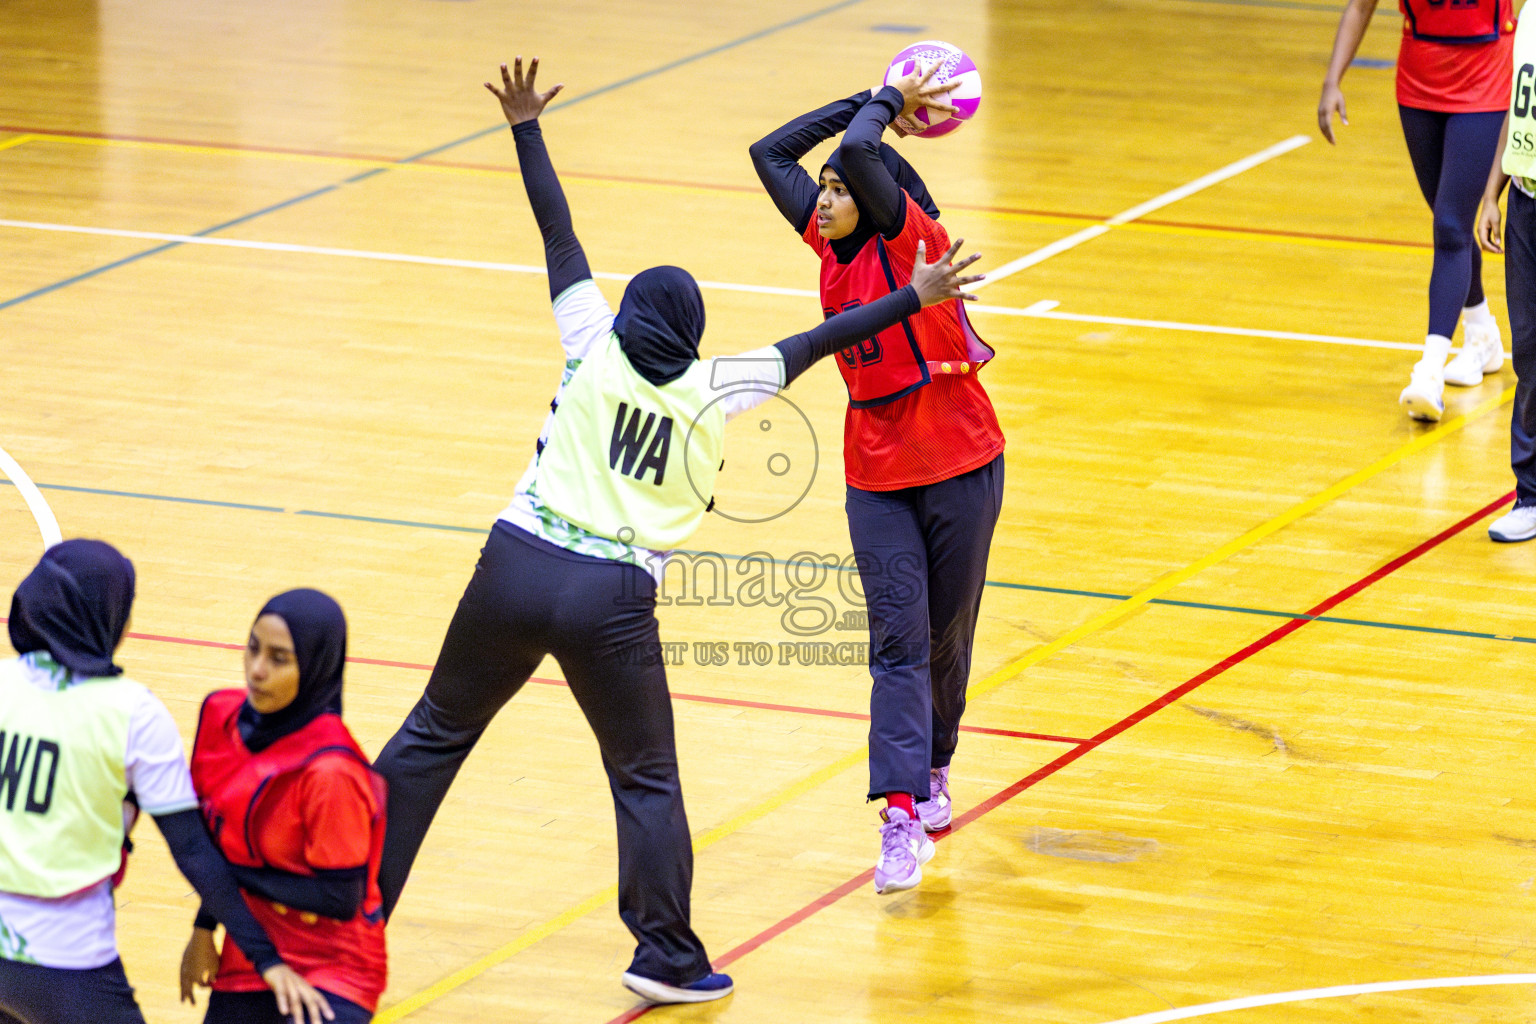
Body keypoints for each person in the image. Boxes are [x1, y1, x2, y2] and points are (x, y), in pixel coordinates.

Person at [370, 57, 983, 1006]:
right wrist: (921, 295)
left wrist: (528, 130)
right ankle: (665, 956)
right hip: (610, 598)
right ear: (692, 336)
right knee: (644, 780)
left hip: (514, 564)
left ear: (627, 319)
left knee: (429, 737)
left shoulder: (590, 341)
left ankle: (347, 903)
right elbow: (820, 343)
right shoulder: (717, 386)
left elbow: (558, 233)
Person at [749, 68, 1007, 895]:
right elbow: (769, 150)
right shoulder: (832, 244)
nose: (821, 198)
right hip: (877, 475)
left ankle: (934, 768)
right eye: (819, 190)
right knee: (897, 645)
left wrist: (889, 103)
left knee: (946, 644)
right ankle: (899, 817)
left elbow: (863, 149)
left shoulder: (912, 239)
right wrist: (867, 89)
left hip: (962, 459)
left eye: (837, 189)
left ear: (880, 195)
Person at [0, 540, 331, 1024]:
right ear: (115, 622)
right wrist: (266, 958)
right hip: (66, 963)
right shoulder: (134, 713)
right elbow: (195, 852)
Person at [179, 589, 387, 1023]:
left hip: (333, 967)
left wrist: (224, 878)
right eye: (253, 649)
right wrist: (204, 929)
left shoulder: (331, 772)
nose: (257, 671)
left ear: (313, 668)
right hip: (251, 951)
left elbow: (339, 896)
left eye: (279, 658)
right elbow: (221, 841)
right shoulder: (220, 715)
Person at [1319, 0, 1515, 421]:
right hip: (1418, 83)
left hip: (1486, 79)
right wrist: (1332, 81)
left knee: (1449, 224)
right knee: (1452, 223)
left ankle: (1429, 373)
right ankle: (1481, 333)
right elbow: (1361, 6)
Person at [1474, 12, 1536, 542]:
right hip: (1525, 202)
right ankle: (1531, 494)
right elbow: (1517, 116)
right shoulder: (1530, 13)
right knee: (1532, 350)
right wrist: (1493, 192)